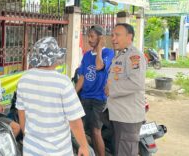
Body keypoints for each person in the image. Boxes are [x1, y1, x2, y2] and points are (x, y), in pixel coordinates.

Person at [16, 36, 89, 156]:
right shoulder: (63, 82)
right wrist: (84, 146)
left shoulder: (23, 80)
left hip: (31, 150)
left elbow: (21, 115)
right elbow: (75, 122)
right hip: (58, 151)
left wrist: (29, 137)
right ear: (55, 58)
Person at [105, 23, 146, 156]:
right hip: (119, 114)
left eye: (117, 35)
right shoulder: (120, 55)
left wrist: (111, 89)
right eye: (112, 35)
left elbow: (136, 83)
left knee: (126, 152)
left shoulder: (134, 56)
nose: (113, 38)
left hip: (128, 117)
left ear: (129, 37)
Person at [75, 25, 114, 156]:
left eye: (92, 36)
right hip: (86, 97)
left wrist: (99, 48)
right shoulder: (86, 55)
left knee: (96, 131)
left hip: (99, 98)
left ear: (100, 38)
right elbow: (82, 76)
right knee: (86, 130)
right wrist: (74, 93)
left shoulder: (108, 53)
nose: (89, 39)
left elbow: (99, 66)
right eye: (88, 36)